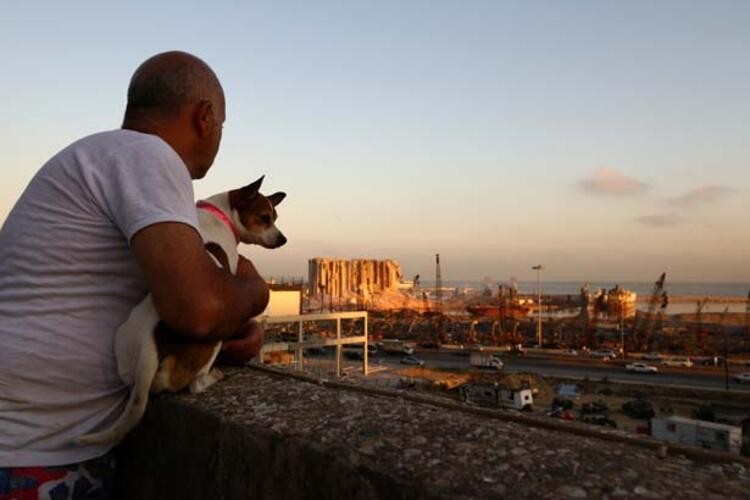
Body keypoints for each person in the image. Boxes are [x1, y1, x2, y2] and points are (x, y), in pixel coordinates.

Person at [0, 51, 268, 498]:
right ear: (205, 117)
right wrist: (255, 292)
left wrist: (221, 339)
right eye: (222, 124)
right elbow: (198, 308)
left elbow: (153, 308)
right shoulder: (149, 156)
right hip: (31, 454)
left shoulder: (99, 153)